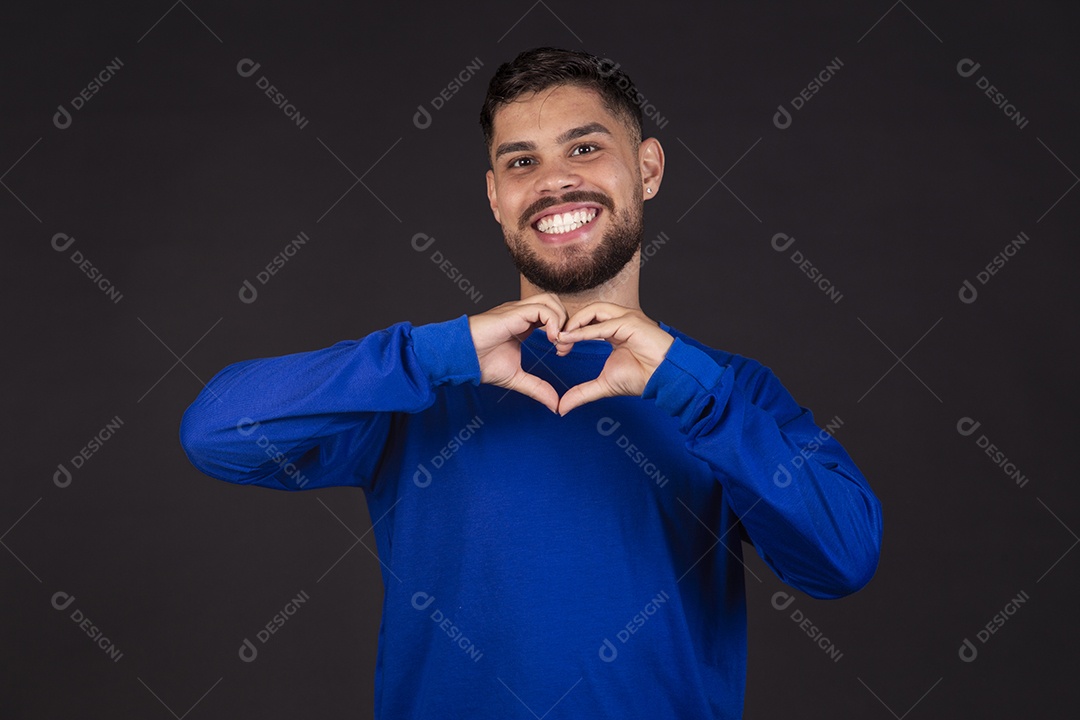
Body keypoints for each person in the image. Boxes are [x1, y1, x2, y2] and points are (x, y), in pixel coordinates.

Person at [180, 47, 882, 719]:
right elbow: (215, 431)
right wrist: (433, 357)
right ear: (494, 196)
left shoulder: (729, 392)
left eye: (585, 148)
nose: (554, 182)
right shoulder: (420, 387)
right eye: (522, 161)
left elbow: (841, 560)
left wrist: (694, 394)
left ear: (648, 168)